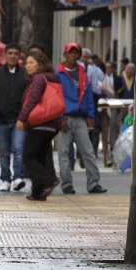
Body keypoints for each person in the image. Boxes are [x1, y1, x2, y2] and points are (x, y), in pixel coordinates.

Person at [56, 42, 107, 194]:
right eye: (70, 52)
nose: (73, 55)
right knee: (64, 153)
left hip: (81, 118)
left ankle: (93, 183)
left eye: (76, 53)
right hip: (65, 118)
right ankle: (67, 184)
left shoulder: (83, 72)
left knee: (88, 152)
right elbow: (56, 97)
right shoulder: (58, 74)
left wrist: (90, 114)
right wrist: (60, 117)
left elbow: (89, 95)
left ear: (79, 55)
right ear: (65, 55)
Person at [16, 51, 63, 201]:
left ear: (40, 64)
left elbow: (33, 99)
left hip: (39, 122)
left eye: (31, 62)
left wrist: (22, 118)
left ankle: (50, 180)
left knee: (28, 157)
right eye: (26, 63)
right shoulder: (53, 78)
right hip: (51, 123)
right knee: (39, 158)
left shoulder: (38, 78)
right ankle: (38, 192)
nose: (28, 66)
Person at [0, 42, 29, 192]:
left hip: (19, 120)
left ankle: (18, 178)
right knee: (4, 152)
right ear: (5, 55)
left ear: (19, 56)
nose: (13, 56)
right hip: (1, 119)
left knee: (18, 149)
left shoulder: (25, 75)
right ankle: (5, 179)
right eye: (10, 53)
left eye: (16, 53)